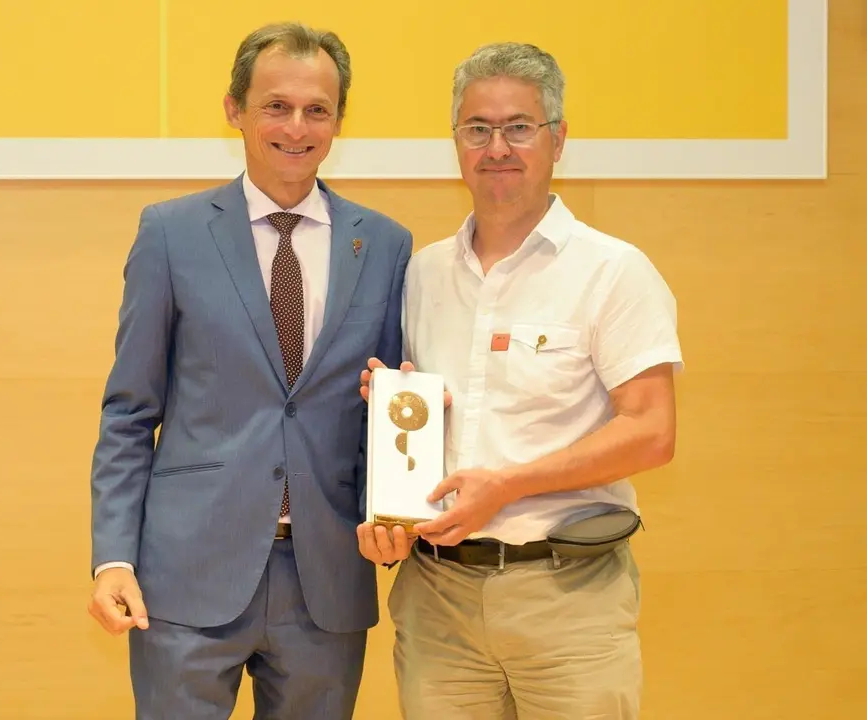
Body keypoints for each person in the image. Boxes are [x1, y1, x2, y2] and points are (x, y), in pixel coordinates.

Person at [87, 22, 412, 720]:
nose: (297, 127)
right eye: (276, 105)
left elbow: (385, 409)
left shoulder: (384, 245)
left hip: (326, 584)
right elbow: (128, 413)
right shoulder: (170, 234)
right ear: (234, 109)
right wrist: (112, 557)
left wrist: (397, 512)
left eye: (316, 109)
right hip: (184, 579)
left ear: (337, 121)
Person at [357, 41, 682, 719]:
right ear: (456, 143)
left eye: (517, 127)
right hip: (436, 602)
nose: (495, 147)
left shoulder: (612, 271)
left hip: (567, 602)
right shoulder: (421, 273)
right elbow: (416, 422)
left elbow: (652, 433)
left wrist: (506, 486)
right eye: (477, 129)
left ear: (557, 139)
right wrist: (389, 464)